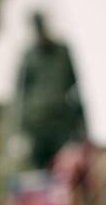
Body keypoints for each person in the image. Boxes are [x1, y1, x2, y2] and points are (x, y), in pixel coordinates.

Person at [12, 11, 86, 172]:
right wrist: (20, 128)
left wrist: (79, 121)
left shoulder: (62, 53)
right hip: (37, 124)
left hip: (61, 122)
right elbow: (22, 92)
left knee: (63, 168)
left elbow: (75, 84)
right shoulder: (30, 56)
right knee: (41, 170)